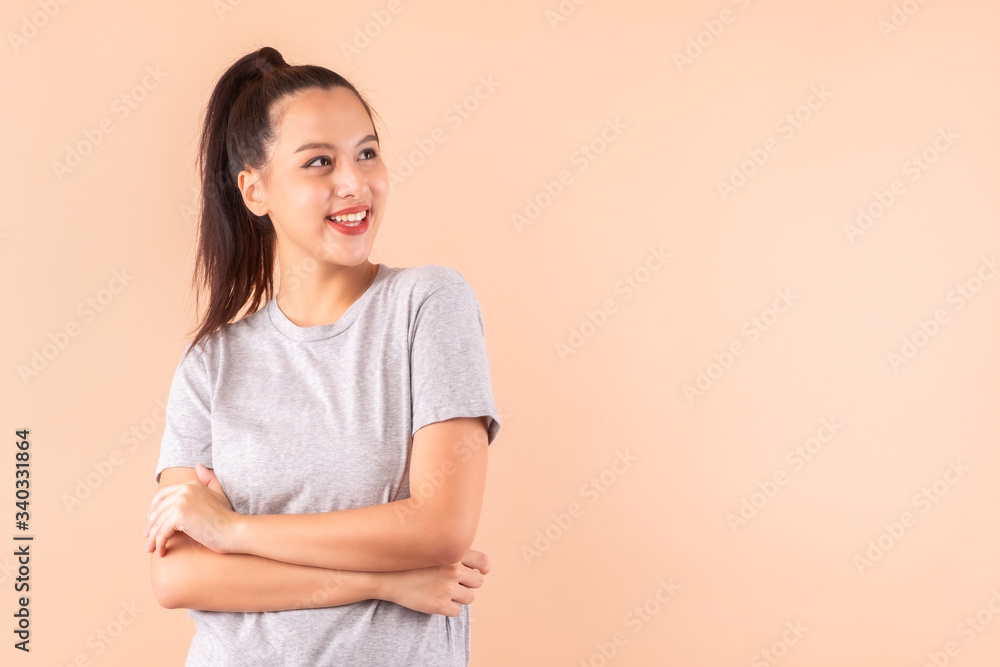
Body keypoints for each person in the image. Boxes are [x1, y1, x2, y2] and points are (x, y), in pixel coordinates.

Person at [143, 45, 501, 666]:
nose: (354, 183)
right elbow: (180, 578)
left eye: (367, 153)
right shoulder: (211, 366)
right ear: (255, 190)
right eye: (319, 162)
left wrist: (234, 532)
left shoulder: (427, 305)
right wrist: (383, 580)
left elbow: (440, 527)